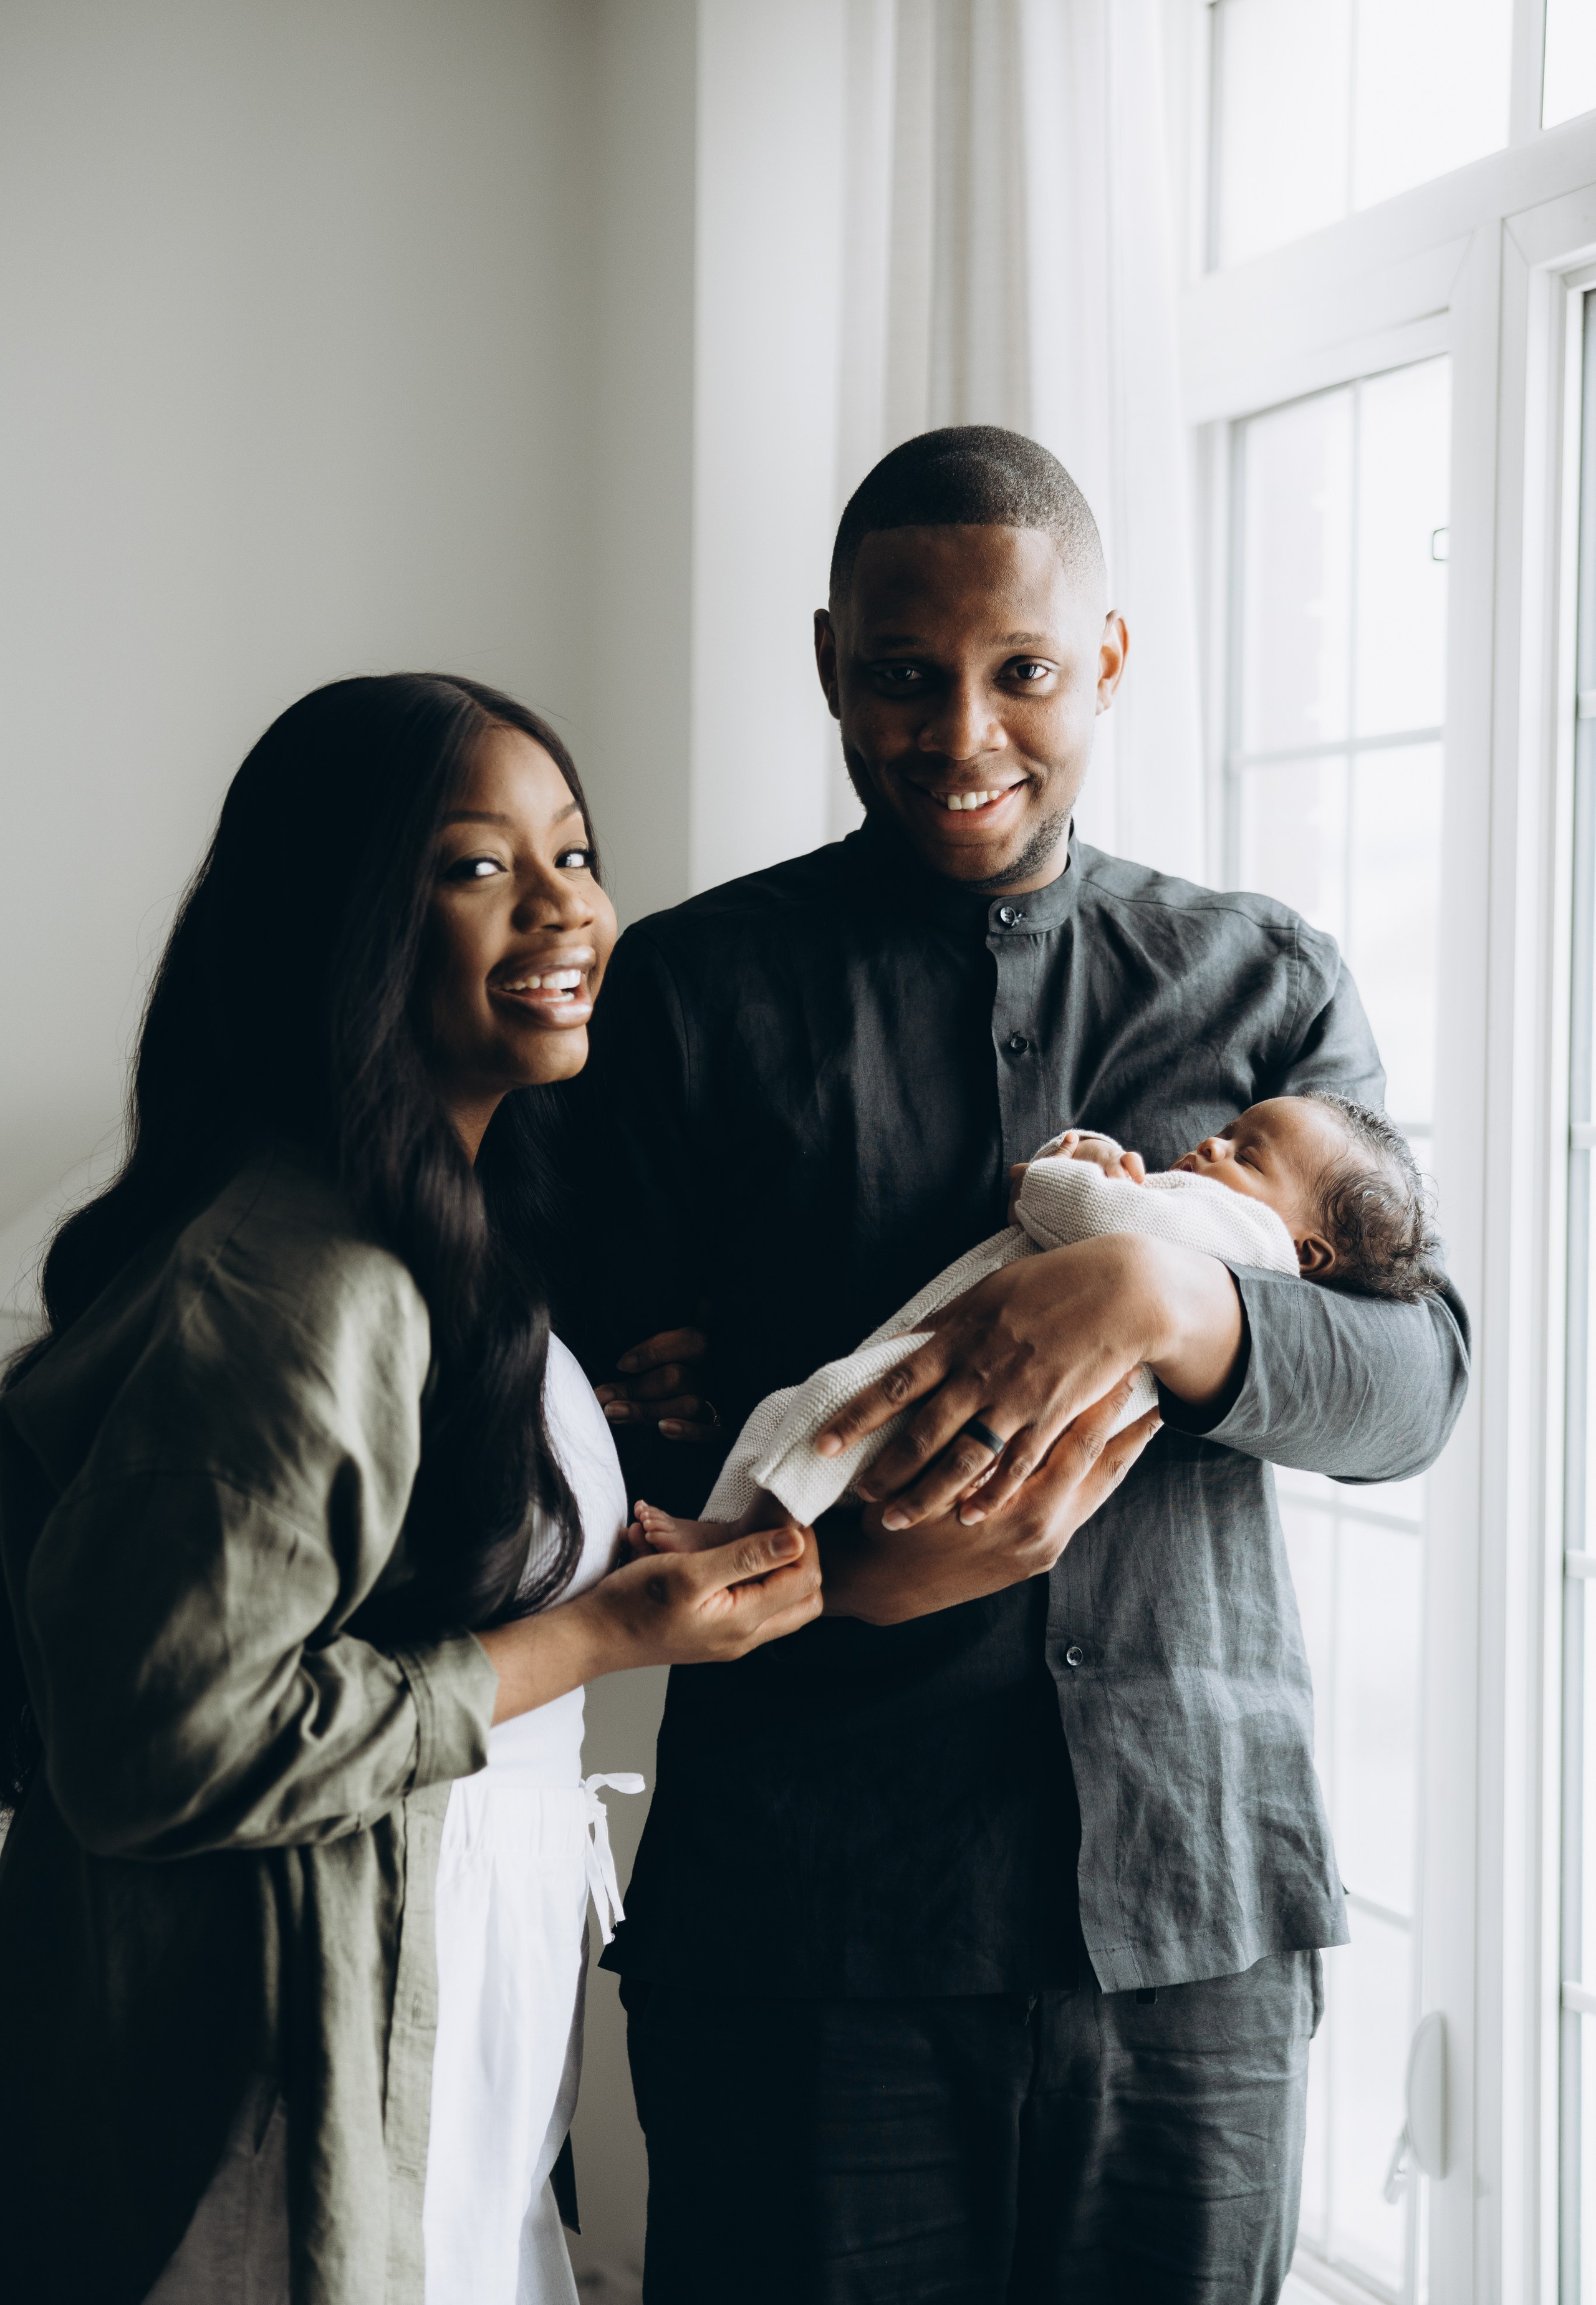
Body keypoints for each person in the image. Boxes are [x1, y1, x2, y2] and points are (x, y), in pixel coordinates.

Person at [575, 427, 1471, 2304]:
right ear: (829, 660)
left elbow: (1413, 1381)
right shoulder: (682, 994)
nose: (959, 732)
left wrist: (1168, 1305)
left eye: (1021, 674)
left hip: (1195, 1925)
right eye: (902, 676)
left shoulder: (1264, 982)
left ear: (1111, 662)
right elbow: (571, 1423)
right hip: (806, 1922)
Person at [0, 673, 825, 2305]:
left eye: (575, 852)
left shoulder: (439, 1238)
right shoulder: (314, 1279)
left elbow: (338, 1537)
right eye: (475, 866)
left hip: (440, 1994)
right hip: (284, 2059)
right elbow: (168, 1743)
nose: (564, 907)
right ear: (345, 921)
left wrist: (543, 1445)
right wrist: (596, 1634)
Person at [637, 1093, 1439, 1543]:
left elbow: (1068, 1207)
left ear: (1308, 1256)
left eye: (1246, 1154)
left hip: (954, 1381)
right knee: (817, 1427)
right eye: (1228, 1131)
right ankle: (743, 1536)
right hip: (983, 1414)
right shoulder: (1229, 1224)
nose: (1211, 1145)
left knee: (819, 1416)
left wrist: (1064, 1162)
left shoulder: (1236, 1235)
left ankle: (737, 1541)